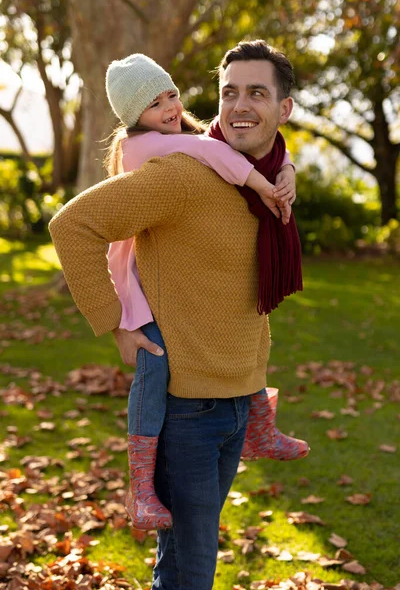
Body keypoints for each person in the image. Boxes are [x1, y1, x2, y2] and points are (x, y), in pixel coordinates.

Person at [49, 40, 306, 590]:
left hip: (241, 395)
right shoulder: (181, 172)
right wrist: (116, 322)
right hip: (191, 407)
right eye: (229, 92)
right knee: (190, 571)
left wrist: (286, 175)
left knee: (189, 561)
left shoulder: (262, 173)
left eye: (256, 93)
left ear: (283, 110)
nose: (239, 105)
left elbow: (260, 165)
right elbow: (72, 226)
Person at [102, 53, 308, 531]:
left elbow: (239, 139)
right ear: (135, 118)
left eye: (171, 94)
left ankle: (258, 424)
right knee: (152, 376)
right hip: (136, 290)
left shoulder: (181, 137)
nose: (170, 107)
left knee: (250, 313)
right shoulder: (147, 151)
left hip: (189, 309)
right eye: (154, 104)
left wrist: (288, 166)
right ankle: (140, 488)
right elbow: (216, 151)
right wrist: (114, 319)